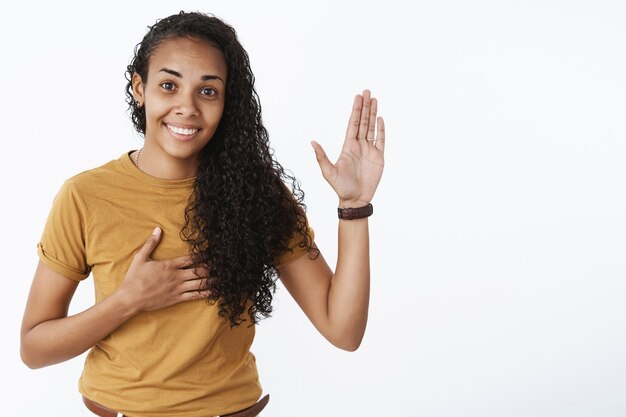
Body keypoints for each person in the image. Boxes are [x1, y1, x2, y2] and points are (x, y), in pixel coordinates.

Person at [20, 10, 385, 417]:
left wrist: (353, 208)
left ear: (227, 101)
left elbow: (344, 330)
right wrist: (128, 300)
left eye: (207, 91)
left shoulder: (257, 194)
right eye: (169, 85)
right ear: (140, 89)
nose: (187, 107)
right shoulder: (84, 196)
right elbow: (34, 348)